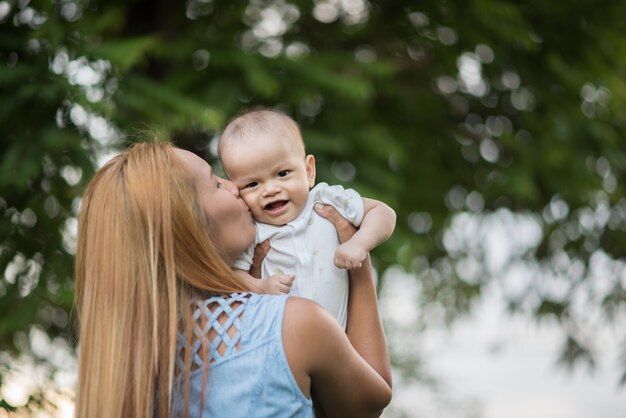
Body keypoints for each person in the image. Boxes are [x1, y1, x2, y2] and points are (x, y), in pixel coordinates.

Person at [73, 141, 392, 418]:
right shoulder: (291, 324)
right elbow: (371, 402)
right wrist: (357, 266)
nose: (235, 187)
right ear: (188, 229)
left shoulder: (126, 370)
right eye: (215, 183)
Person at [218, 108, 396, 328]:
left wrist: (359, 243)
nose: (271, 189)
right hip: (289, 348)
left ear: (309, 170)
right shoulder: (252, 232)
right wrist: (261, 287)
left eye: (282, 174)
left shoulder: (326, 200)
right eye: (253, 184)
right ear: (237, 191)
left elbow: (383, 213)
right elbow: (233, 275)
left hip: (341, 343)